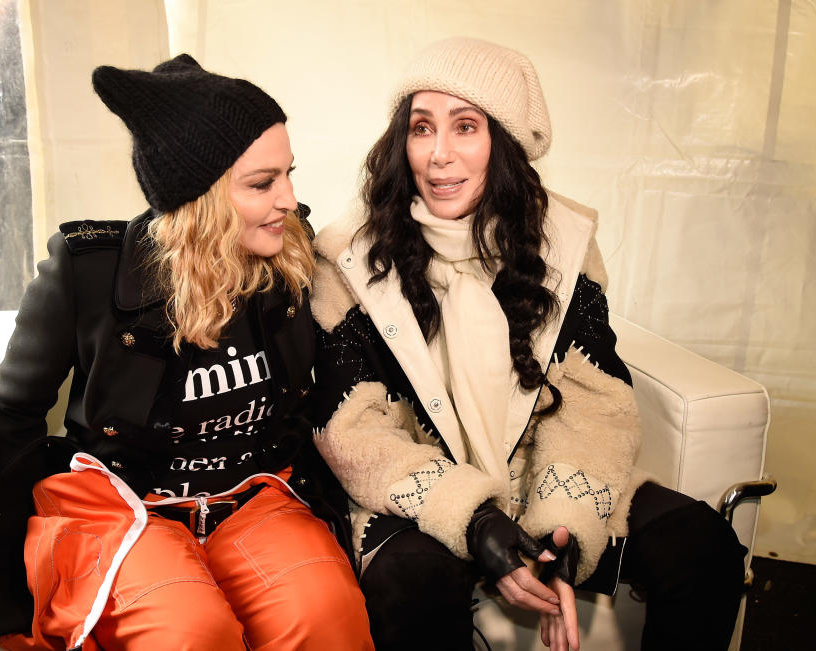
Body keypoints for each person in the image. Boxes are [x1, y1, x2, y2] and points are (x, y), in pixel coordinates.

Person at [308, 37, 747, 651]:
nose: (438, 155)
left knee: (703, 547)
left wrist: (561, 533)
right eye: (421, 128)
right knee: (412, 583)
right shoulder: (348, 259)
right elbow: (354, 431)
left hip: (541, 476)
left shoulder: (562, 243)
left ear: (503, 145)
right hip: (426, 497)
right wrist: (476, 519)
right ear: (399, 140)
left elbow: (593, 401)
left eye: (466, 127)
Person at [0, 54, 372, 651]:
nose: (289, 199)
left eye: (288, 174)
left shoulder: (289, 259)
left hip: (252, 496)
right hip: (129, 505)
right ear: (196, 196)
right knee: (189, 633)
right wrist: (20, 543)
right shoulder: (90, 270)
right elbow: (14, 409)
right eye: (262, 183)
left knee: (326, 617)